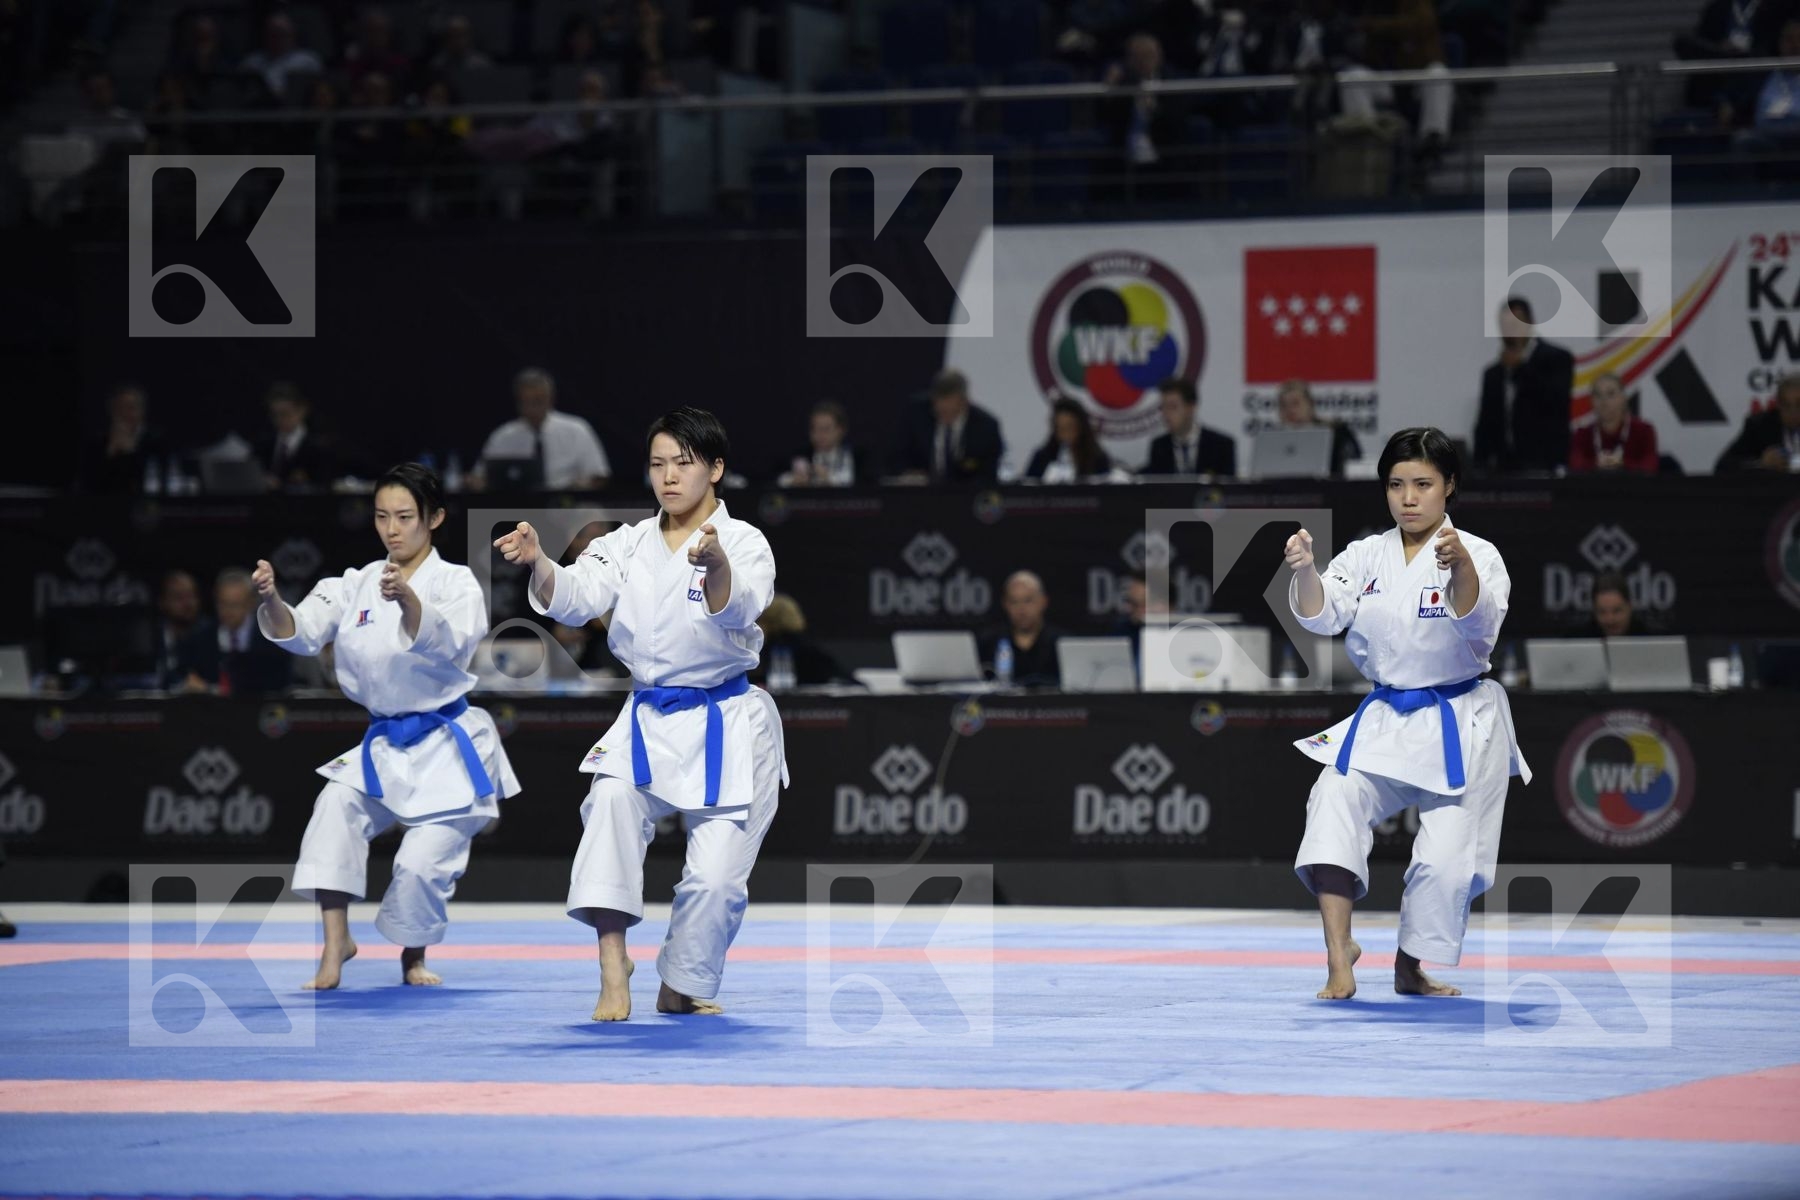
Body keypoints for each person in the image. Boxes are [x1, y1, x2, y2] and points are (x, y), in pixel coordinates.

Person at [495, 406, 785, 1020]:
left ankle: (680, 982)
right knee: (607, 805)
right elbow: (574, 599)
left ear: (716, 469)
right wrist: (541, 562)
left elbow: (743, 608)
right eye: (658, 464)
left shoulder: (744, 542)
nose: (669, 477)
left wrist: (717, 570)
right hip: (647, 716)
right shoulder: (624, 545)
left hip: (726, 720)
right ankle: (612, 964)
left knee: (716, 882)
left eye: (683, 463)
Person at [1283, 427, 1530, 1000]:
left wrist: (1461, 567)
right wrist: (1303, 571)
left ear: (1449, 489)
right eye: (1397, 485)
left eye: (1423, 484)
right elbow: (1324, 615)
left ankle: (1409, 966)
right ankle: (1337, 952)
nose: (1409, 497)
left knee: (1447, 858)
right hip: (1388, 713)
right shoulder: (1368, 554)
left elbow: (1478, 623)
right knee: (1333, 798)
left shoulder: (1478, 554)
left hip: (1460, 717)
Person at [256, 463, 520, 990]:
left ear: (434, 518)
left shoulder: (455, 582)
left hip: (446, 739)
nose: (391, 529)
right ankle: (336, 945)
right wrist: (270, 601)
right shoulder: (351, 585)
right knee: (334, 809)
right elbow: (302, 633)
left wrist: (410, 602)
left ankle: (412, 956)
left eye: (404, 517)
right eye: (381, 517)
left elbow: (453, 642)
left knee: (421, 865)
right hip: (383, 740)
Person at [1473, 297, 1575, 474]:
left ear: (1530, 323)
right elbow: (1485, 422)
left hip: (1545, 463)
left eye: (1516, 323)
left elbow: (1557, 402)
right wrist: (1478, 464)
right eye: (1505, 325)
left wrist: (1522, 367)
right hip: (1503, 466)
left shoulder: (1557, 359)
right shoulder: (1494, 373)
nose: (1510, 331)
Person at [472, 368, 612, 490]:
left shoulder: (577, 429)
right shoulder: (502, 436)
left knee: (592, 517)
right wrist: (474, 482)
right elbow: (480, 477)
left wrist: (583, 485)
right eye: (527, 402)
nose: (533, 408)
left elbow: (599, 476)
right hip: (518, 508)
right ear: (518, 402)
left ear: (550, 399)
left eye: (538, 401)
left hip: (569, 506)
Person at [893, 369, 1005, 483]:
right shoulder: (916, 414)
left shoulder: (986, 427)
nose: (942, 410)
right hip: (920, 493)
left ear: (964, 401)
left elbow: (988, 473)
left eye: (949, 410)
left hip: (965, 494)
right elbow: (897, 454)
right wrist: (907, 472)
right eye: (939, 409)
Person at [978, 571, 1064, 687]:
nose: (1021, 609)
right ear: (1005, 604)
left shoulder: (1061, 642)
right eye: (1014, 602)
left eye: (1028, 600)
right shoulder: (988, 642)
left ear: (1043, 602)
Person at [215, 568, 292, 695]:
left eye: (234, 605)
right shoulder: (202, 638)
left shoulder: (271, 639)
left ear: (251, 603)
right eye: (223, 604)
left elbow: (279, 684)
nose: (227, 612)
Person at [80, 385, 169, 493]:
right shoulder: (98, 440)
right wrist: (111, 451)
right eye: (119, 407)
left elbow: (158, 478)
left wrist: (130, 452)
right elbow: (88, 482)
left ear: (142, 410)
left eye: (131, 407)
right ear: (111, 411)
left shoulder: (157, 439)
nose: (124, 413)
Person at [1567, 372, 1659, 474]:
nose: (1604, 401)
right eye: (1598, 395)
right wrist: (1596, 463)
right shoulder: (1582, 434)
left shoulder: (1644, 431)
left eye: (1611, 394)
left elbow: (1649, 467)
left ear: (1623, 398)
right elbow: (1575, 467)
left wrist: (1621, 463)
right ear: (1591, 401)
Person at [1142, 378, 1236, 476]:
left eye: (1173, 407)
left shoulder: (1221, 446)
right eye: (1163, 407)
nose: (1165, 414)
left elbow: (1228, 489)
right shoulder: (1160, 447)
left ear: (1191, 407)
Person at [254, 382, 336, 491]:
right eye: (274, 415)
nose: (279, 420)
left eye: (285, 414)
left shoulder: (319, 445)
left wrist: (284, 484)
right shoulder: (263, 443)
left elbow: (324, 485)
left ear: (302, 411)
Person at [1276, 378, 1362, 477]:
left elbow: (1351, 468)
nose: (1290, 410)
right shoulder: (1274, 442)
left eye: (1295, 403)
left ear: (1310, 405)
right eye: (1284, 405)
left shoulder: (1337, 434)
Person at [1715, 374, 1800, 472]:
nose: (1793, 412)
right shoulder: (1760, 426)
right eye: (1786, 405)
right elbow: (1723, 466)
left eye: (1799, 404)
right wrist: (1760, 463)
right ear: (1778, 405)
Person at [778, 401, 869, 487]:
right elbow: (776, 480)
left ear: (841, 430)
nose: (819, 435)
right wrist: (792, 480)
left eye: (825, 429)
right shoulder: (801, 455)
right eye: (814, 429)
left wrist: (829, 479)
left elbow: (869, 486)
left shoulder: (858, 457)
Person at [1025, 399, 1116, 483]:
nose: (1066, 435)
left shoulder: (1098, 458)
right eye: (1061, 429)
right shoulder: (1042, 457)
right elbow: (1027, 490)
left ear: (1081, 427)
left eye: (1070, 427)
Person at [155, 569, 215, 692]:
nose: (187, 603)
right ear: (163, 602)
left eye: (191, 596)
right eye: (178, 597)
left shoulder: (211, 634)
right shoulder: (152, 636)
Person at [1584, 572, 1645, 638]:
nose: (1610, 620)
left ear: (1630, 607)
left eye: (1616, 611)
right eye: (1602, 612)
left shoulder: (1650, 638)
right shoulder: (1579, 639)